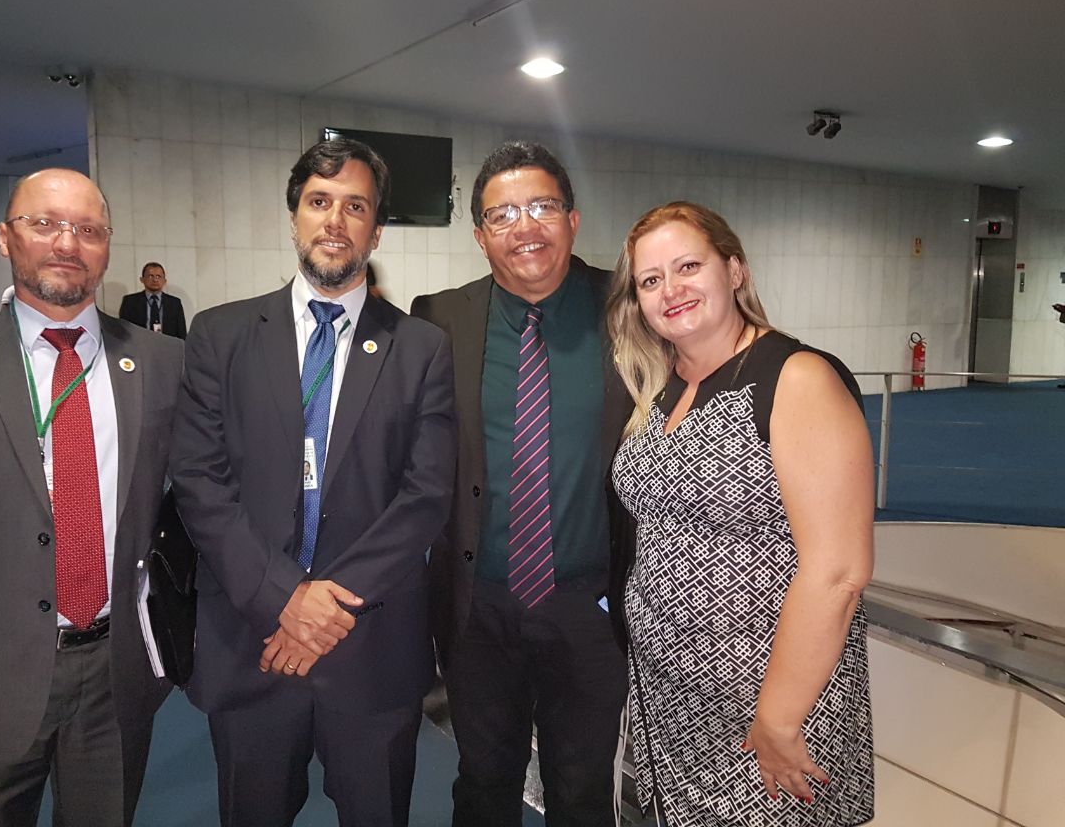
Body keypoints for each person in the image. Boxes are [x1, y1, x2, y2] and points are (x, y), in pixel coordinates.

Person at [0, 168, 184, 826]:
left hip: (117, 672)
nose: (67, 243)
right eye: (44, 224)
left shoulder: (162, 363)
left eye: (88, 229)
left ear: (107, 245)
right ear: (5, 237)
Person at [170, 138, 456, 827]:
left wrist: (323, 610)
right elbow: (200, 482)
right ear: (294, 216)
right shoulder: (219, 335)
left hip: (371, 649)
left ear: (376, 230)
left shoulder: (422, 347)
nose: (335, 220)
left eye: (355, 207)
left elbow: (425, 495)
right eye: (319, 202)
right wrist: (284, 599)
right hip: (253, 643)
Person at [606, 201, 874, 826]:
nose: (671, 290)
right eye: (651, 280)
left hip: (772, 705)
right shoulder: (658, 385)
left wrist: (779, 718)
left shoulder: (796, 378)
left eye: (688, 267)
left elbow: (838, 571)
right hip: (670, 703)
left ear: (734, 270)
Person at [410, 141, 633, 827]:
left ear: (573, 220)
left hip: (590, 605)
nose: (524, 227)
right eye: (501, 214)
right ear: (480, 237)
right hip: (480, 607)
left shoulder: (628, 309)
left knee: (583, 791)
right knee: (484, 783)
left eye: (542, 207)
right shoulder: (439, 317)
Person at [118, 262, 187, 339]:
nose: (155, 280)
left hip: (167, 344)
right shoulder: (130, 302)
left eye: (158, 276)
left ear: (164, 281)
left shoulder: (175, 303)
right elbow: (123, 331)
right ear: (142, 279)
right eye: (150, 276)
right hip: (139, 344)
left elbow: (181, 334)